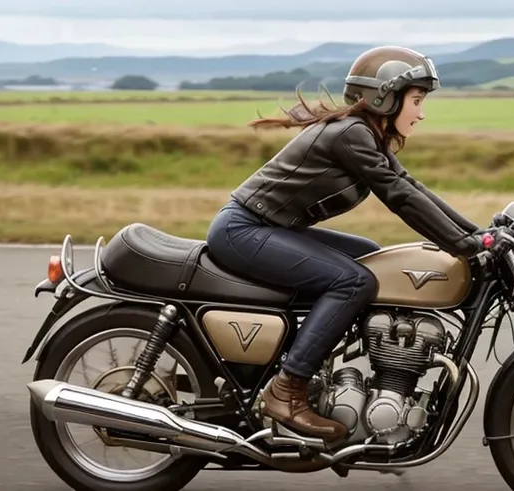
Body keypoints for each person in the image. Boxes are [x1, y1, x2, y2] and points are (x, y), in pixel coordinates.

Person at [206, 45, 486, 443]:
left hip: (267, 226)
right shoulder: (352, 135)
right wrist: (467, 244)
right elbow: (399, 198)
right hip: (244, 230)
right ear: (384, 98)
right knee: (354, 281)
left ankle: (334, 366)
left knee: (374, 258)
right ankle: (287, 389)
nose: (421, 113)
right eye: (417, 101)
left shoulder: (366, 134)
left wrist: (478, 236)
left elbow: (411, 188)